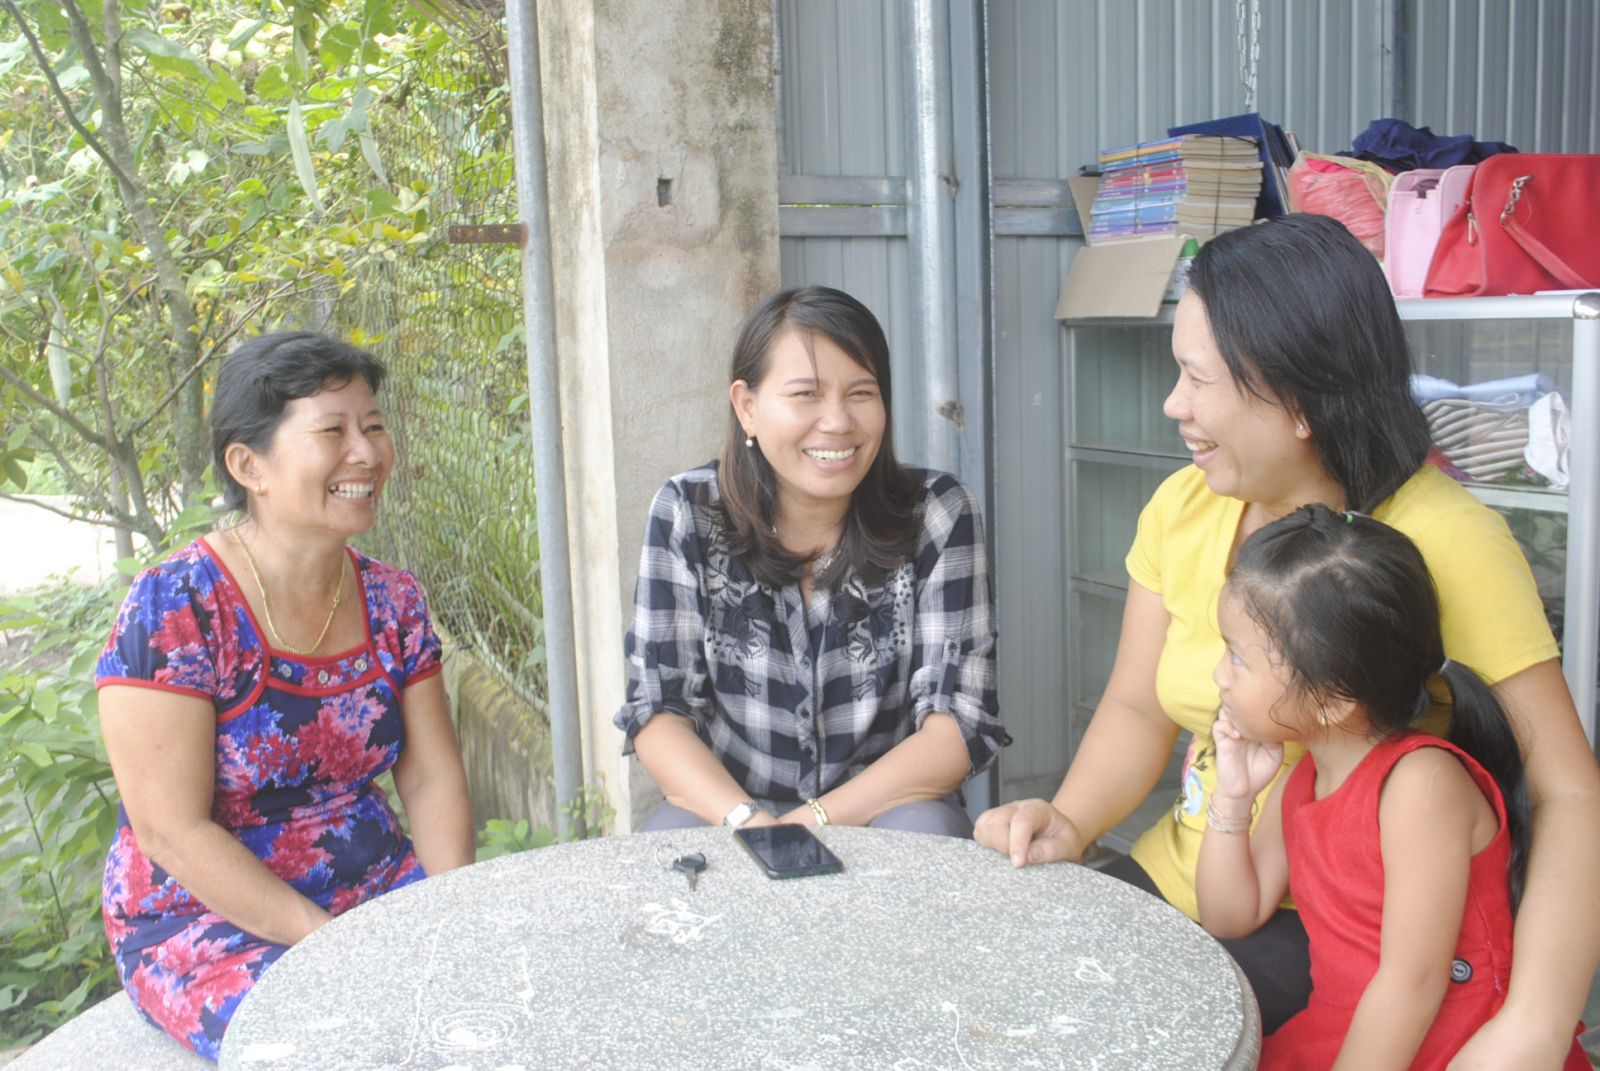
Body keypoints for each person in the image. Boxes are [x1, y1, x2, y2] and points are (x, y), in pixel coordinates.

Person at [974, 214, 1600, 1063]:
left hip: (1335, 928)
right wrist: (1070, 820)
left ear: (1298, 401)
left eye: (1198, 378)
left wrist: (1532, 1023)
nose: (1174, 404)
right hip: (1203, 878)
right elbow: (1135, 706)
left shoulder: (1447, 540)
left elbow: (1569, 792)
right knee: (1000, 989)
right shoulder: (1184, 506)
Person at [97, 332, 475, 1059]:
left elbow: (431, 775)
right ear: (249, 465)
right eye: (333, 431)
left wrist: (450, 911)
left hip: (372, 877)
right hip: (206, 913)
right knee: (339, 1042)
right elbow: (170, 830)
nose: (366, 452)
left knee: (493, 995)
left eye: (373, 425)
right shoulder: (177, 606)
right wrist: (324, 943)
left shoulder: (393, 599)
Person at [1197, 505, 1587, 1069]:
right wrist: (1233, 799)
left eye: (1238, 658)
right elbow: (1229, 917)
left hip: (1448, 1044)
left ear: (1331, 700)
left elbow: (1414, 982)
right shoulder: (1303, 779)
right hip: (1352, 1032)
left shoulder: (1419, 786)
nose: (1219, 675)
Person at [614, 286, 1008, 836]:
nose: (838, 421)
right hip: (733, 809)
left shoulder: (937, 513)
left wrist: (808, 823)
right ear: (747, 407)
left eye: (861, 393)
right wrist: (749, 821)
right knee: (671, 840)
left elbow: (956, 724)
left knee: (925, 827)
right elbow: (660, 711)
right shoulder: (689, 511)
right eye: (806, 394)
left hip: (885, 809)